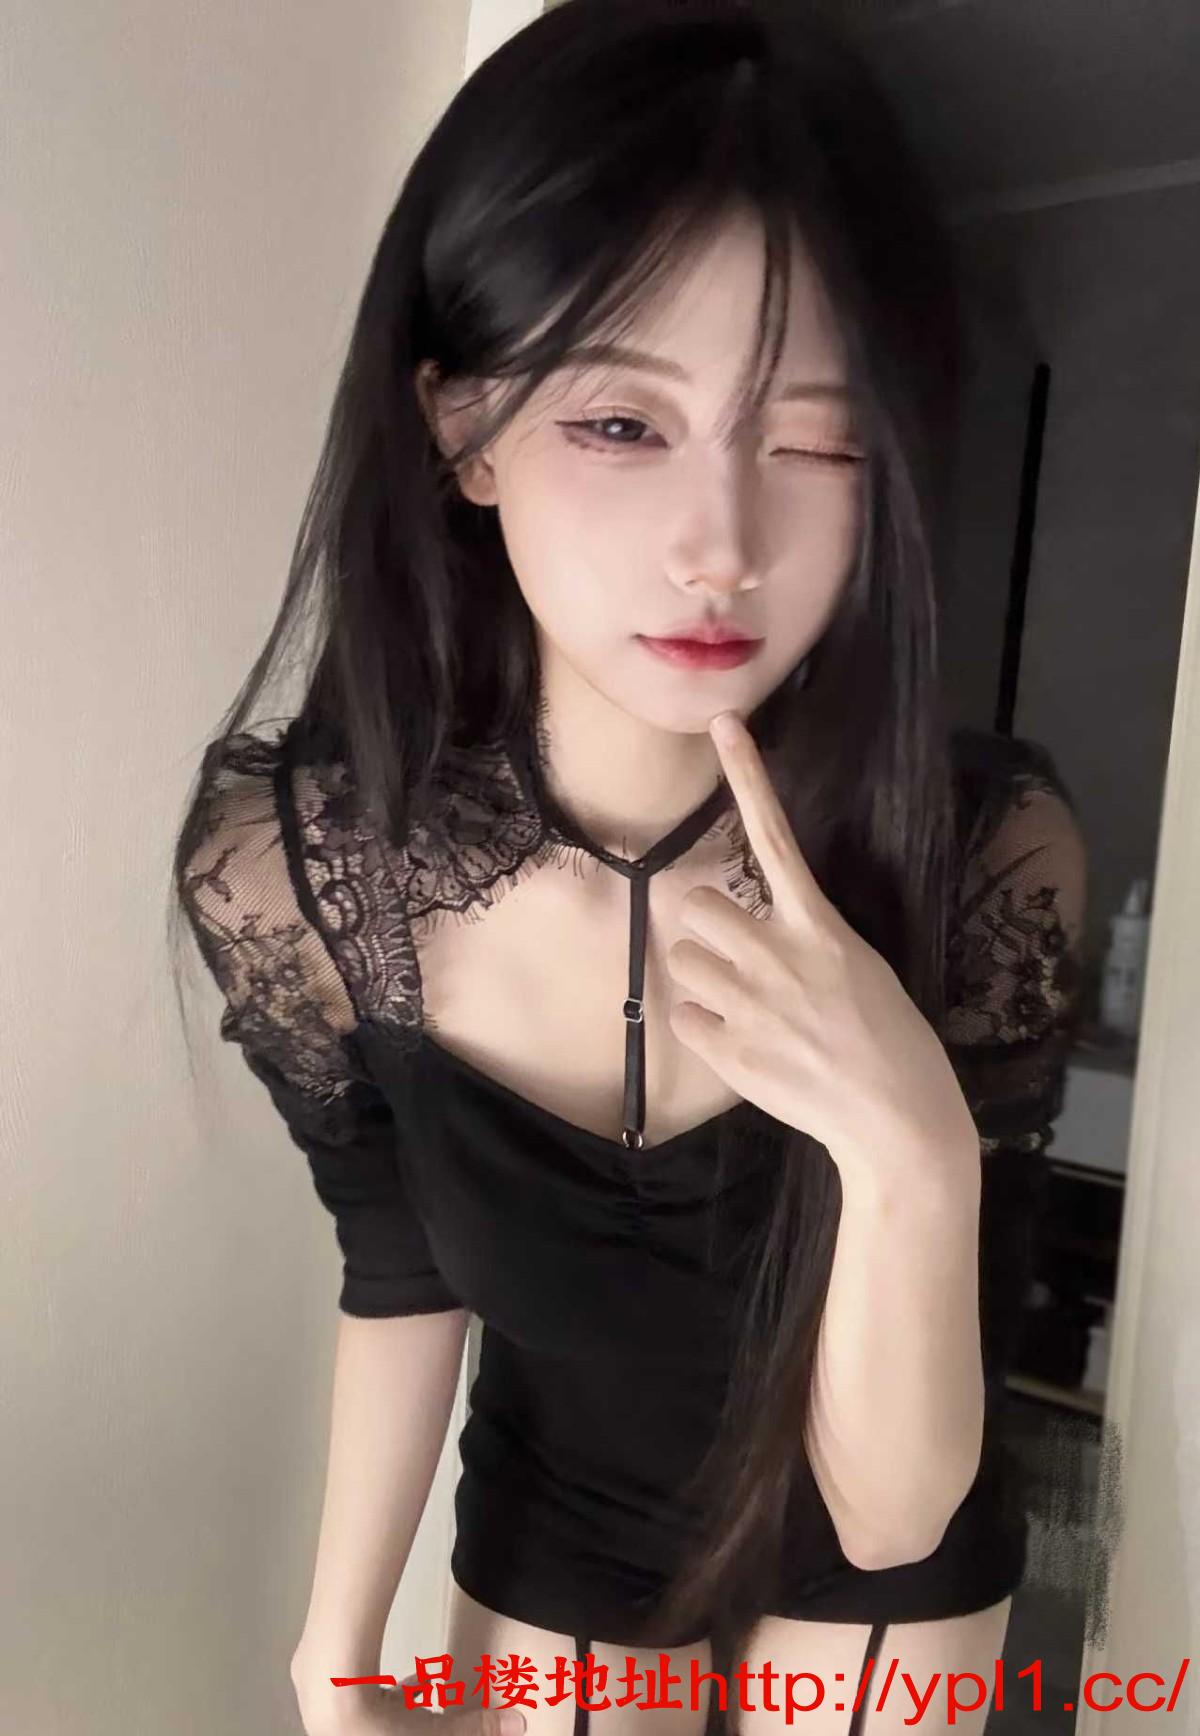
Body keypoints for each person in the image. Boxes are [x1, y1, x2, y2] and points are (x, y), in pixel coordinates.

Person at [169, 3, 1088, 1732]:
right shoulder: (304, 872)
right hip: (562, 1531)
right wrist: (334, 1639)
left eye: (815, 437)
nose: (720, 545)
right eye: (618, 423)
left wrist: (909, 1146)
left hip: (882, 1555)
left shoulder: (985, 856)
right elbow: (400, 1260)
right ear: (464, 428)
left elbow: (897, 1518)